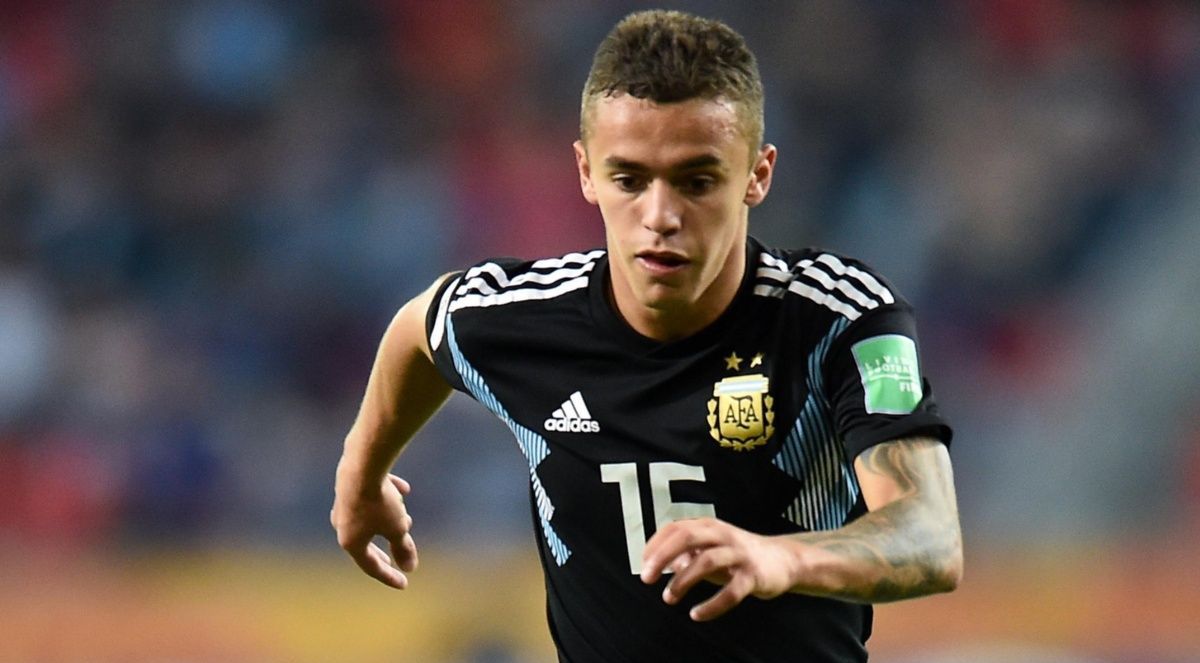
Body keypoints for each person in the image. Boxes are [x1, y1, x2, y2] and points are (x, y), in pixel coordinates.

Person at [332, 9, 962, 662]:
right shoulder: (526, 320)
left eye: (697, 181)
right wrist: (361, 472)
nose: (660, 216)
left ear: (757, 175)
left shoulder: (838, 318)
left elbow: (930, 535)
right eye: (630, 180)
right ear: (586, 172)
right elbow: (420, 328)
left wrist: (780, 558)